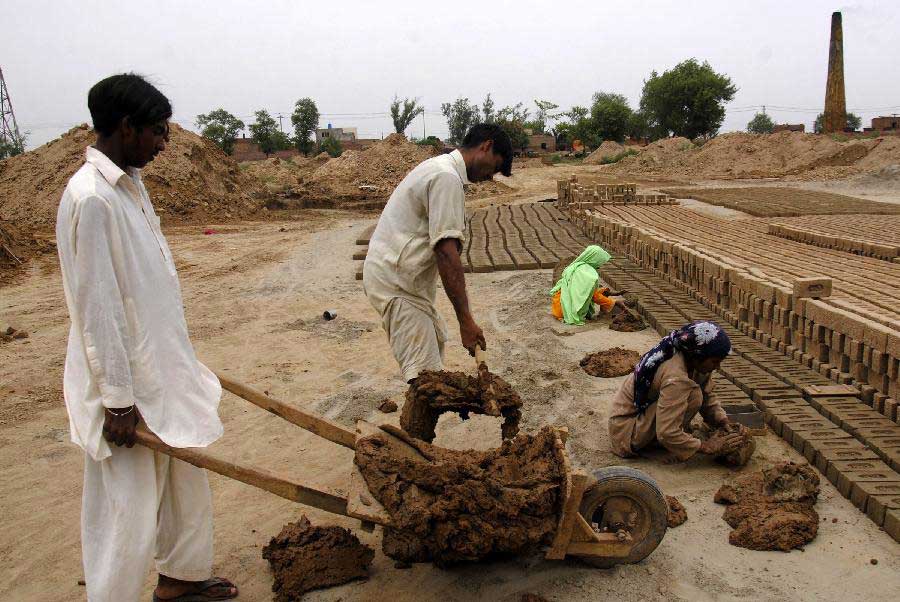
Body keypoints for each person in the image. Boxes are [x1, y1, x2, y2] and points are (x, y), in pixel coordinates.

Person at [55, 74, 237, 602]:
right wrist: (116, 400)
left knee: (185, 477)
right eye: (157, 131)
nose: (163, 144)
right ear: (127, 126)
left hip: (162, 368)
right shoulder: (92, 198)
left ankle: (181, 580)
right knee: (128, 511)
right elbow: (98, 308)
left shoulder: (131, 187)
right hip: (126, 382)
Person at [363, 123, 513, 383]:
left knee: (432, 358)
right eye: (495, 166)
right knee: (426, 378)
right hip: (396, 285)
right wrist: (466, 321)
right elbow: (446, 253)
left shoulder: (442, 169)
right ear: (486, 146)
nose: (492, 176)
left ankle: (420, 421)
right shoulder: (445, 177)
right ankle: (417, 424)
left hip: (406, 283)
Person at [608, 321, 746, 464]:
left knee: (696, 394)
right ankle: (655, 445)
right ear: (698, 355)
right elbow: (667, 432)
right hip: (626, 432)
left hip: (641, 417)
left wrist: (722, 421)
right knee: (693, 395)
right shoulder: (675, 377)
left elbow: (708, 396)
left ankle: (668, 442)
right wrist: (706, 446)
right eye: (715, 361)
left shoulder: (692, 357)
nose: (717, 367)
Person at [549, 245, 619, 325]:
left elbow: (579, 291)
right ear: (594, 259)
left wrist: (601, 291)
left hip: (557, 307)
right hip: (565, 311)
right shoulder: (588, 274)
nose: (600, 265)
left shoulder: (576, 266)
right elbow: (593, 296)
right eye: (600, 262)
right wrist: (613, 303)